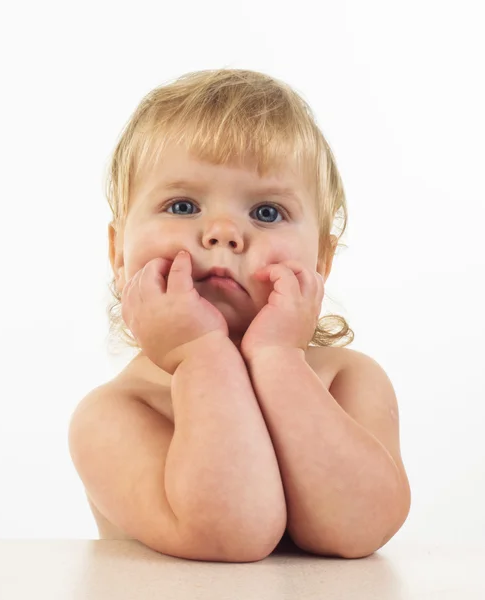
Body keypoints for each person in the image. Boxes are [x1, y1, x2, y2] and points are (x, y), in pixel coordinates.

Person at [68, 68, 411, 563]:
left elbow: (360, 529)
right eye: (182, 205)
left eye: (267, 212)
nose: (223, 232)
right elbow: (231, 533)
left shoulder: (348, 380)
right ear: (118, 251)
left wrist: (278, 358)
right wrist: (200, 356)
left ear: (320, 260)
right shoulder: (113, 415)